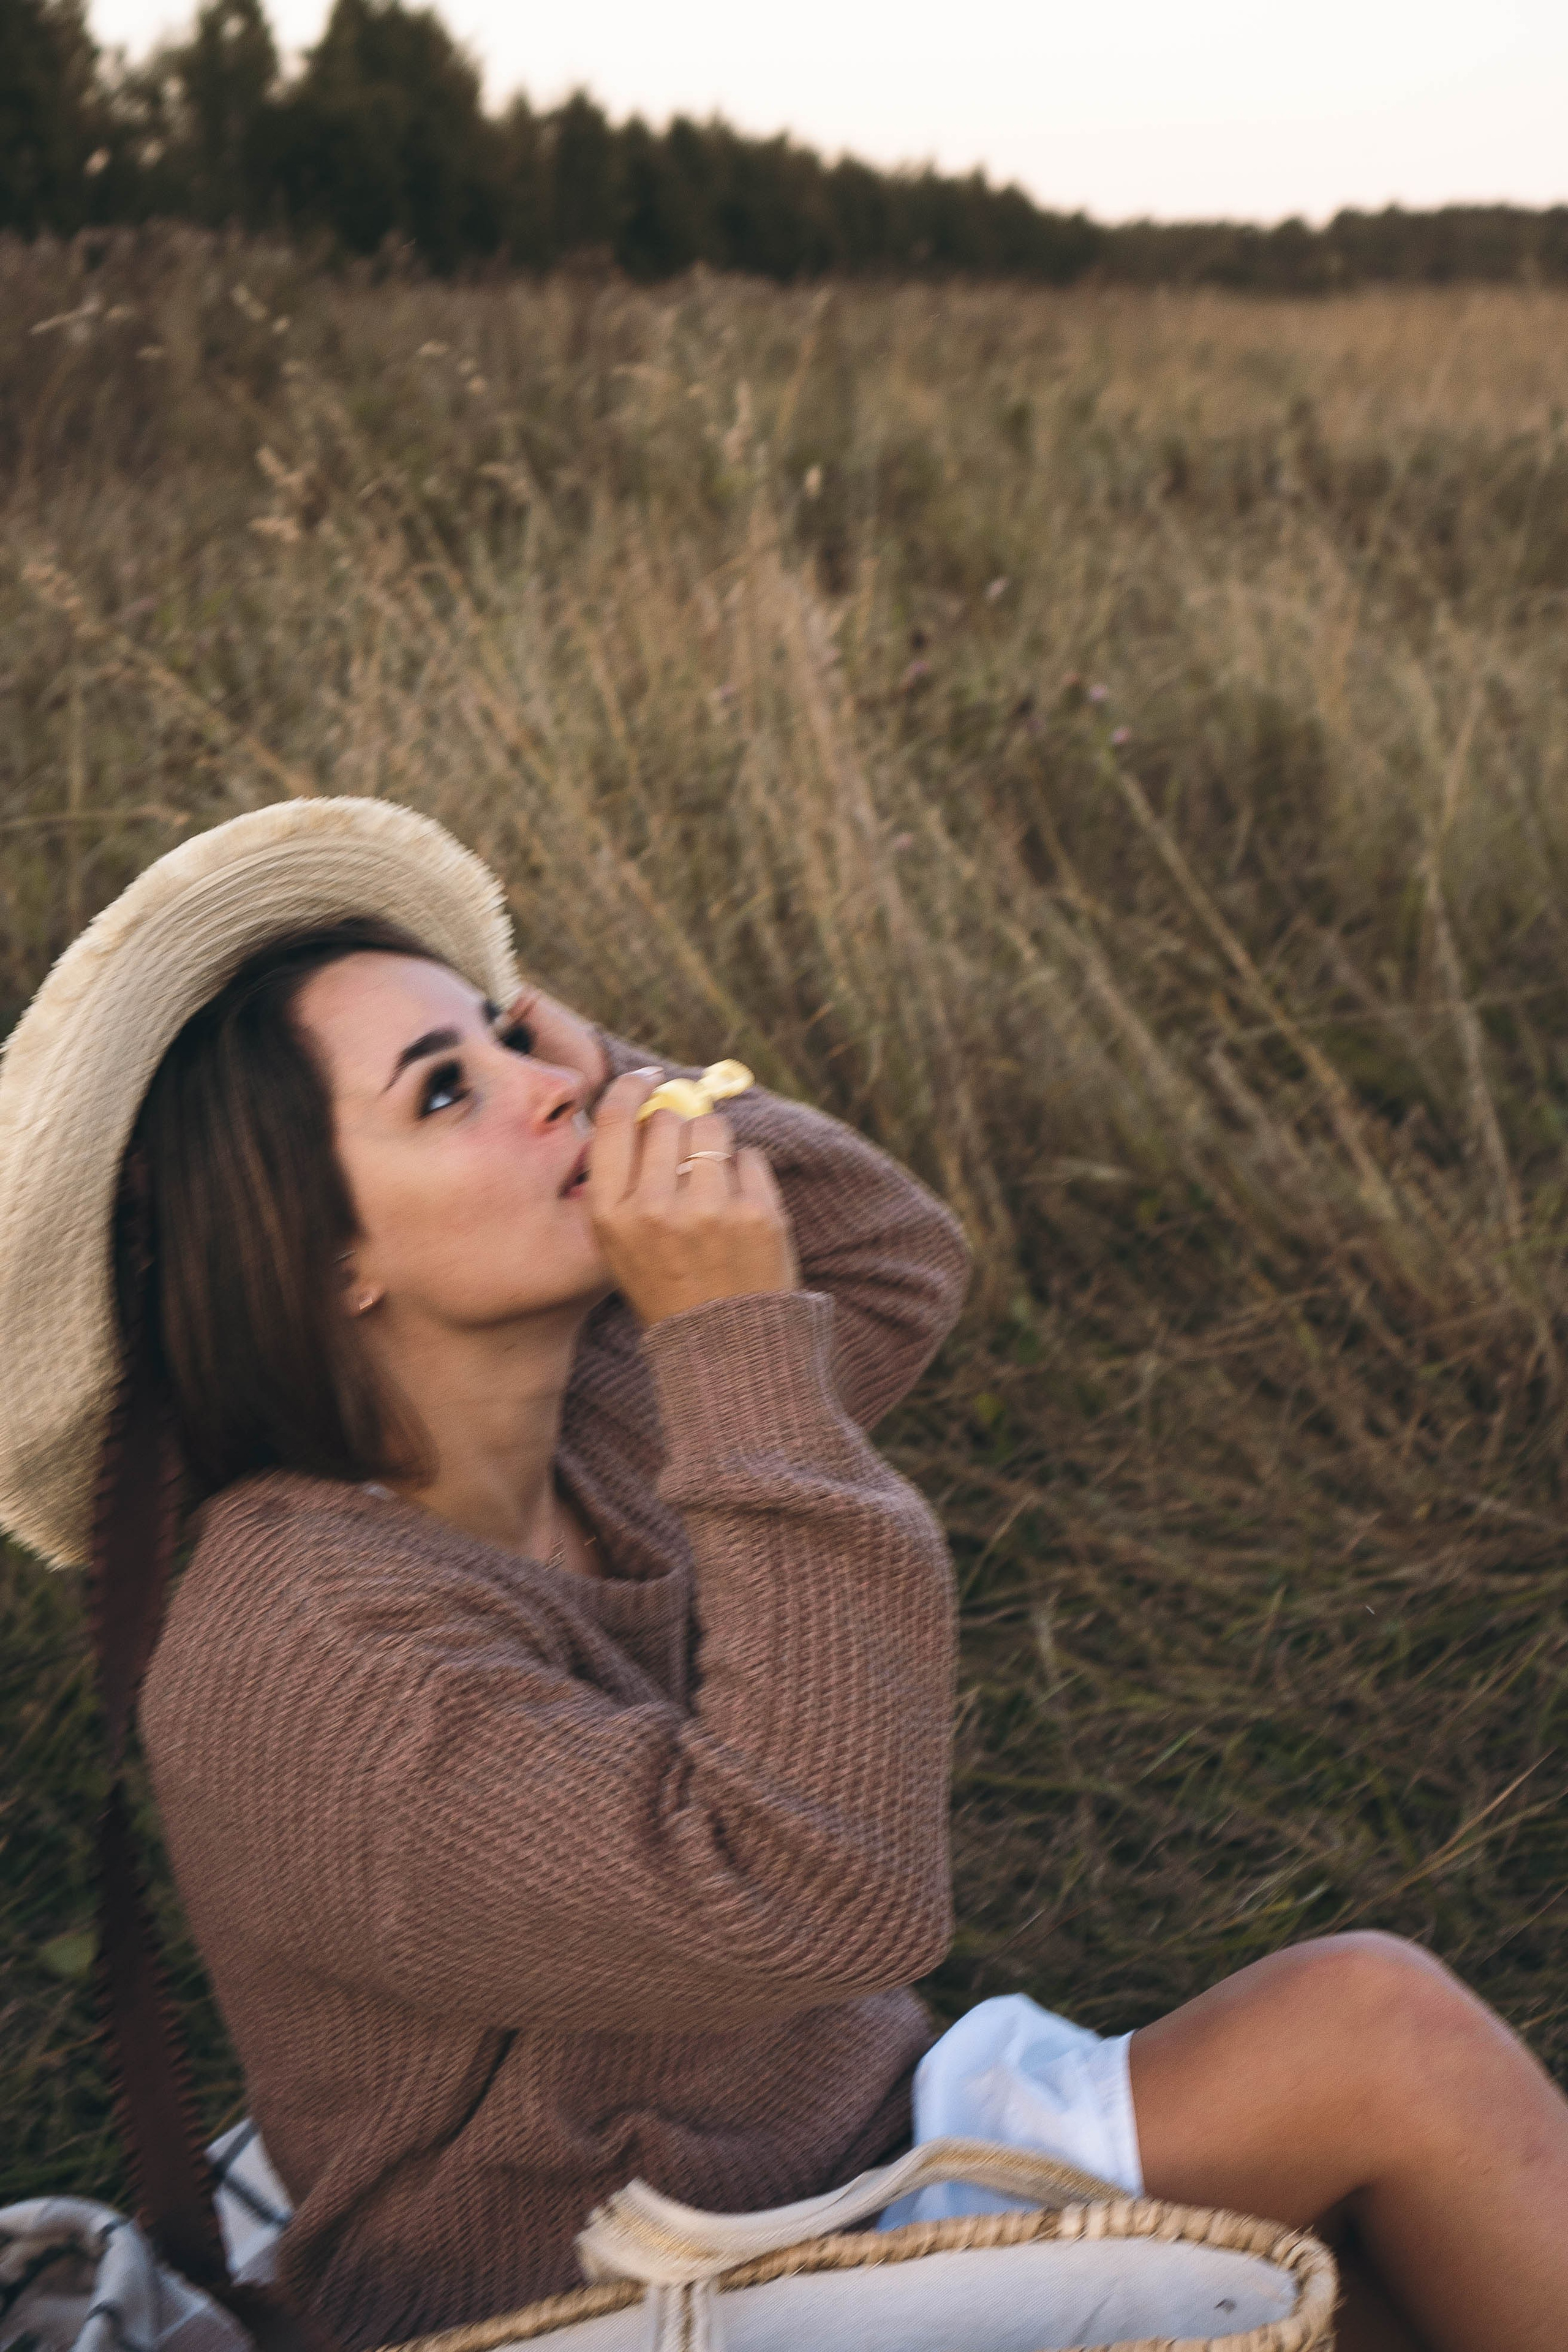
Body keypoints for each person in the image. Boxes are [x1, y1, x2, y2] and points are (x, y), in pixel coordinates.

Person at [1, 799, 1564, 2352]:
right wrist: (725, 1341)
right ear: (327, 1259)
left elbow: (888, 1260)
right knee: (1378, 2039)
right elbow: (822, 1893)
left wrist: (629, 1087)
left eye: (512, 1035)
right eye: (442, 1092)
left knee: (1396, 2273)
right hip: (606, 2287)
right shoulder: (299, 1650)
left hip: (827, 2152)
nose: (550, 1091)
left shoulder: (582, 1418)